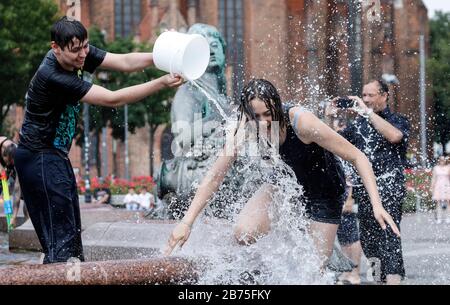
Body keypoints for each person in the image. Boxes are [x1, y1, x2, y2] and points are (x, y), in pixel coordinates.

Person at [165, 79, 400, 272]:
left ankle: (323, 247)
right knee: (243, 233)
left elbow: (358, 157)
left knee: (310, 272)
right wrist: (187, 222)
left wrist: (377, 205)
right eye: (255, 116)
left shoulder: (302, 122)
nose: (263, 122)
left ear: (277, 105)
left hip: (324, 192)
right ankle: (294, 236)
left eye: (267, 114)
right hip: (285, 184)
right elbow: (214, 176)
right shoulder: (242, 127)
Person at [13, 16, 183, 264]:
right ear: (55, 48)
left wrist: (165, 55)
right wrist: (161, 82)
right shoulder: (53, 75)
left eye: (85, 46)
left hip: (53, 157)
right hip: (38, 158)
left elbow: (124, 61)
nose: (83, 55)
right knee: (62, 246)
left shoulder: (76, 49)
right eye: (75, 51)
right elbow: (112, 98)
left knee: (69, 241)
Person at [334, 79, 410, 285]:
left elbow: (395, 136)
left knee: (389, 237)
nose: (365, 100)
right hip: (365, 192)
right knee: (369, 243)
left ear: (384, 95)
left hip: (390, 188)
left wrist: (368, 113)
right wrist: (328, 116)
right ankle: (380, 281)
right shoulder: (357, 127)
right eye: (363, 95)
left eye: (370, 95)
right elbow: (333, 142)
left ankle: (393, 281)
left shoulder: (398, 120)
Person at [0, 136, 26, 228]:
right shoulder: (2, 143)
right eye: (9, 162)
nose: (8, 164)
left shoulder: (18, 162)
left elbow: (17, 190)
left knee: (26, 203)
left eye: (10, 163)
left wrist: (14, 216)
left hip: (27, 179)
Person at [431, 156, 450, 224]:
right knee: (438, 203)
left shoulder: (448, 167)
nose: (442, 161)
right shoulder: (436, 168)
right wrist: (432, 187)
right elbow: (434, 178)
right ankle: (439, 218)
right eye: (441, 160)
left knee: (448, 202)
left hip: (447, 186)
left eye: (443, 160)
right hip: (438, 186)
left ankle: (448, 217)